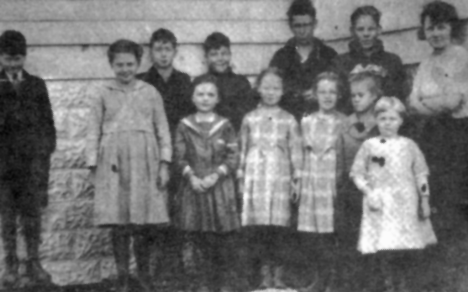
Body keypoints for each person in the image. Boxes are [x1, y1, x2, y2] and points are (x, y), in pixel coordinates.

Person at [86, 39, 172, 292]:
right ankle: (123, 277)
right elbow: (93, 131)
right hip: (113, 163)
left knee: (142, 222)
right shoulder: (102, 92)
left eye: (130, 64)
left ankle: (143, 275)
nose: (125, 69)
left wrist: (164, 164)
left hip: (145, 161)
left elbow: (163, 129)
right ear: (111, 64)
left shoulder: (150, 92)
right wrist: (93, 166)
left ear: (138, 63)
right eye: (119, 65)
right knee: (120, 222)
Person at [351, 97, 437, 291]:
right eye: (382, 118)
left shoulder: (409, 145)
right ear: (376, 120)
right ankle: (387, 284)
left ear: (401, 121)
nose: (387, 123)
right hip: (380, 201)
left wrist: (424, 200)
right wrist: (368, 191)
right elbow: (357, 173)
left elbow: (421, 174)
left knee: (404, 244)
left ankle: (403, 285)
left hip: (405, 201)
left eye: (392, 118)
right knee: (384, 244)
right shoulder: (370, 145)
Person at [136, 28, 194, 283]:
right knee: (150, 211)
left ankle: (175, 267)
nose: (162, 54)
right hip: (150, 153)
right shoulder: (142, 81)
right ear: (151, 51)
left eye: (167, 49)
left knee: (176, 209)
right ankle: (149, 270)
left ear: (175, 51)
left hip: (179, 150)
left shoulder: (184, 81)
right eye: (158, 49)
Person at [408, 1, 468, 243]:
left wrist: (425, 104)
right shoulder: (426, 62)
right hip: (431, 135)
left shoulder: (460, 57)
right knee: (435, 196)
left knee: (454, 197)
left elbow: (452, 101)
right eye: (431, 28)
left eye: (441, 27)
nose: (436, 33)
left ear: (451, 28)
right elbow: (412, 99)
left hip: (457, 136)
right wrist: (429, 103)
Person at [174, 75, 241, 292]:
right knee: (198, 236)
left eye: (210, 94)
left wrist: (216, 175)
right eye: (200, 94)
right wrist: (191, 177)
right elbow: (179, 156)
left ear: (218, 98)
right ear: (193, 98)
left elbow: (233, 156)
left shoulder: (225, 125)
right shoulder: (185, 125)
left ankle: (220, 282)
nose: (205, 98)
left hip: (219, 187)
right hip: (194, 187)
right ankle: (201, 283)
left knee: (220, 238)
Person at [0, 30, 56, 288]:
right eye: (8, 59)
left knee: (32, 216)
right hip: (3, 168)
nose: (13, 64)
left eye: (18, 58)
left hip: (31, 165)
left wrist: (42, 155)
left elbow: (48, 126)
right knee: (8, 217)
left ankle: (34, 261)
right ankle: (10, 263)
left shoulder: (36, 85)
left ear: (25, 56)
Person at [238, 68, 302, 289]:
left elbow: (295, 151)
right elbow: (242, 149)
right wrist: (240, 174)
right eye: (266, 87)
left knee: (278, 227)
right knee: (258, 228)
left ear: (283, 91)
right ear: (258, 88)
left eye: (276, 88)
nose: (271, 92)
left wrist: (297, 178)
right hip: (256, 177)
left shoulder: (289, 119)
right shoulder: (249, 118)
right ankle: (262, 275)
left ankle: (278, 275)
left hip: (279, 177)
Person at [298, 72, 346, 292]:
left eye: (332, 92)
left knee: (331, 233)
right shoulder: (306, 121)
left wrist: (339, 181)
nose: (327, 96)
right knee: (313, 234)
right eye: (322, 92)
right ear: (315, 94)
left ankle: (333, 280)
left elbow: (345, 155)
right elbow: (299, 154)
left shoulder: (344, 121)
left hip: (331, 182)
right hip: (311, 181)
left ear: (339, 95)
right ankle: (318, 278)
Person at [269, 0, 337, 120]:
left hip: (322, 117)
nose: (302, 31)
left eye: (306, 25)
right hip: (289, 118)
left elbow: (339, 86)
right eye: (297, 26)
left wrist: (319, 92)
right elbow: (271, 86)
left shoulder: (328, 55)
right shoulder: (281, 57)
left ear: (314, 24)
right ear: (291, 26)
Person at [332, 5, 406, 113]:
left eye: (371, 29)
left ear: (379, 30)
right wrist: (352, 79)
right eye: (360, 29)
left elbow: (400, 98)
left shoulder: (392, 61)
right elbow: (337, 101)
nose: (366, 34)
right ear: (352, 31)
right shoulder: (340, 63)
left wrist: (383, 77)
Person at [338, 70, 381, 248]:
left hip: (375, 185)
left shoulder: (381, 123)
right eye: (353, 95)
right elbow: (340, 156)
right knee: (352, 230)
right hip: (351, 185)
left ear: (374, 96)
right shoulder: (346, 123)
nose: (355, 99)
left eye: (361, 95)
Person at [193, 32, 255, 132]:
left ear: (230, 55)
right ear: (206, 58)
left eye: (224, 53)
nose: (220, 58)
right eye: (214, 54)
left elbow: (247, 115)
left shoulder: (241, 82)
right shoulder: (200, 83)